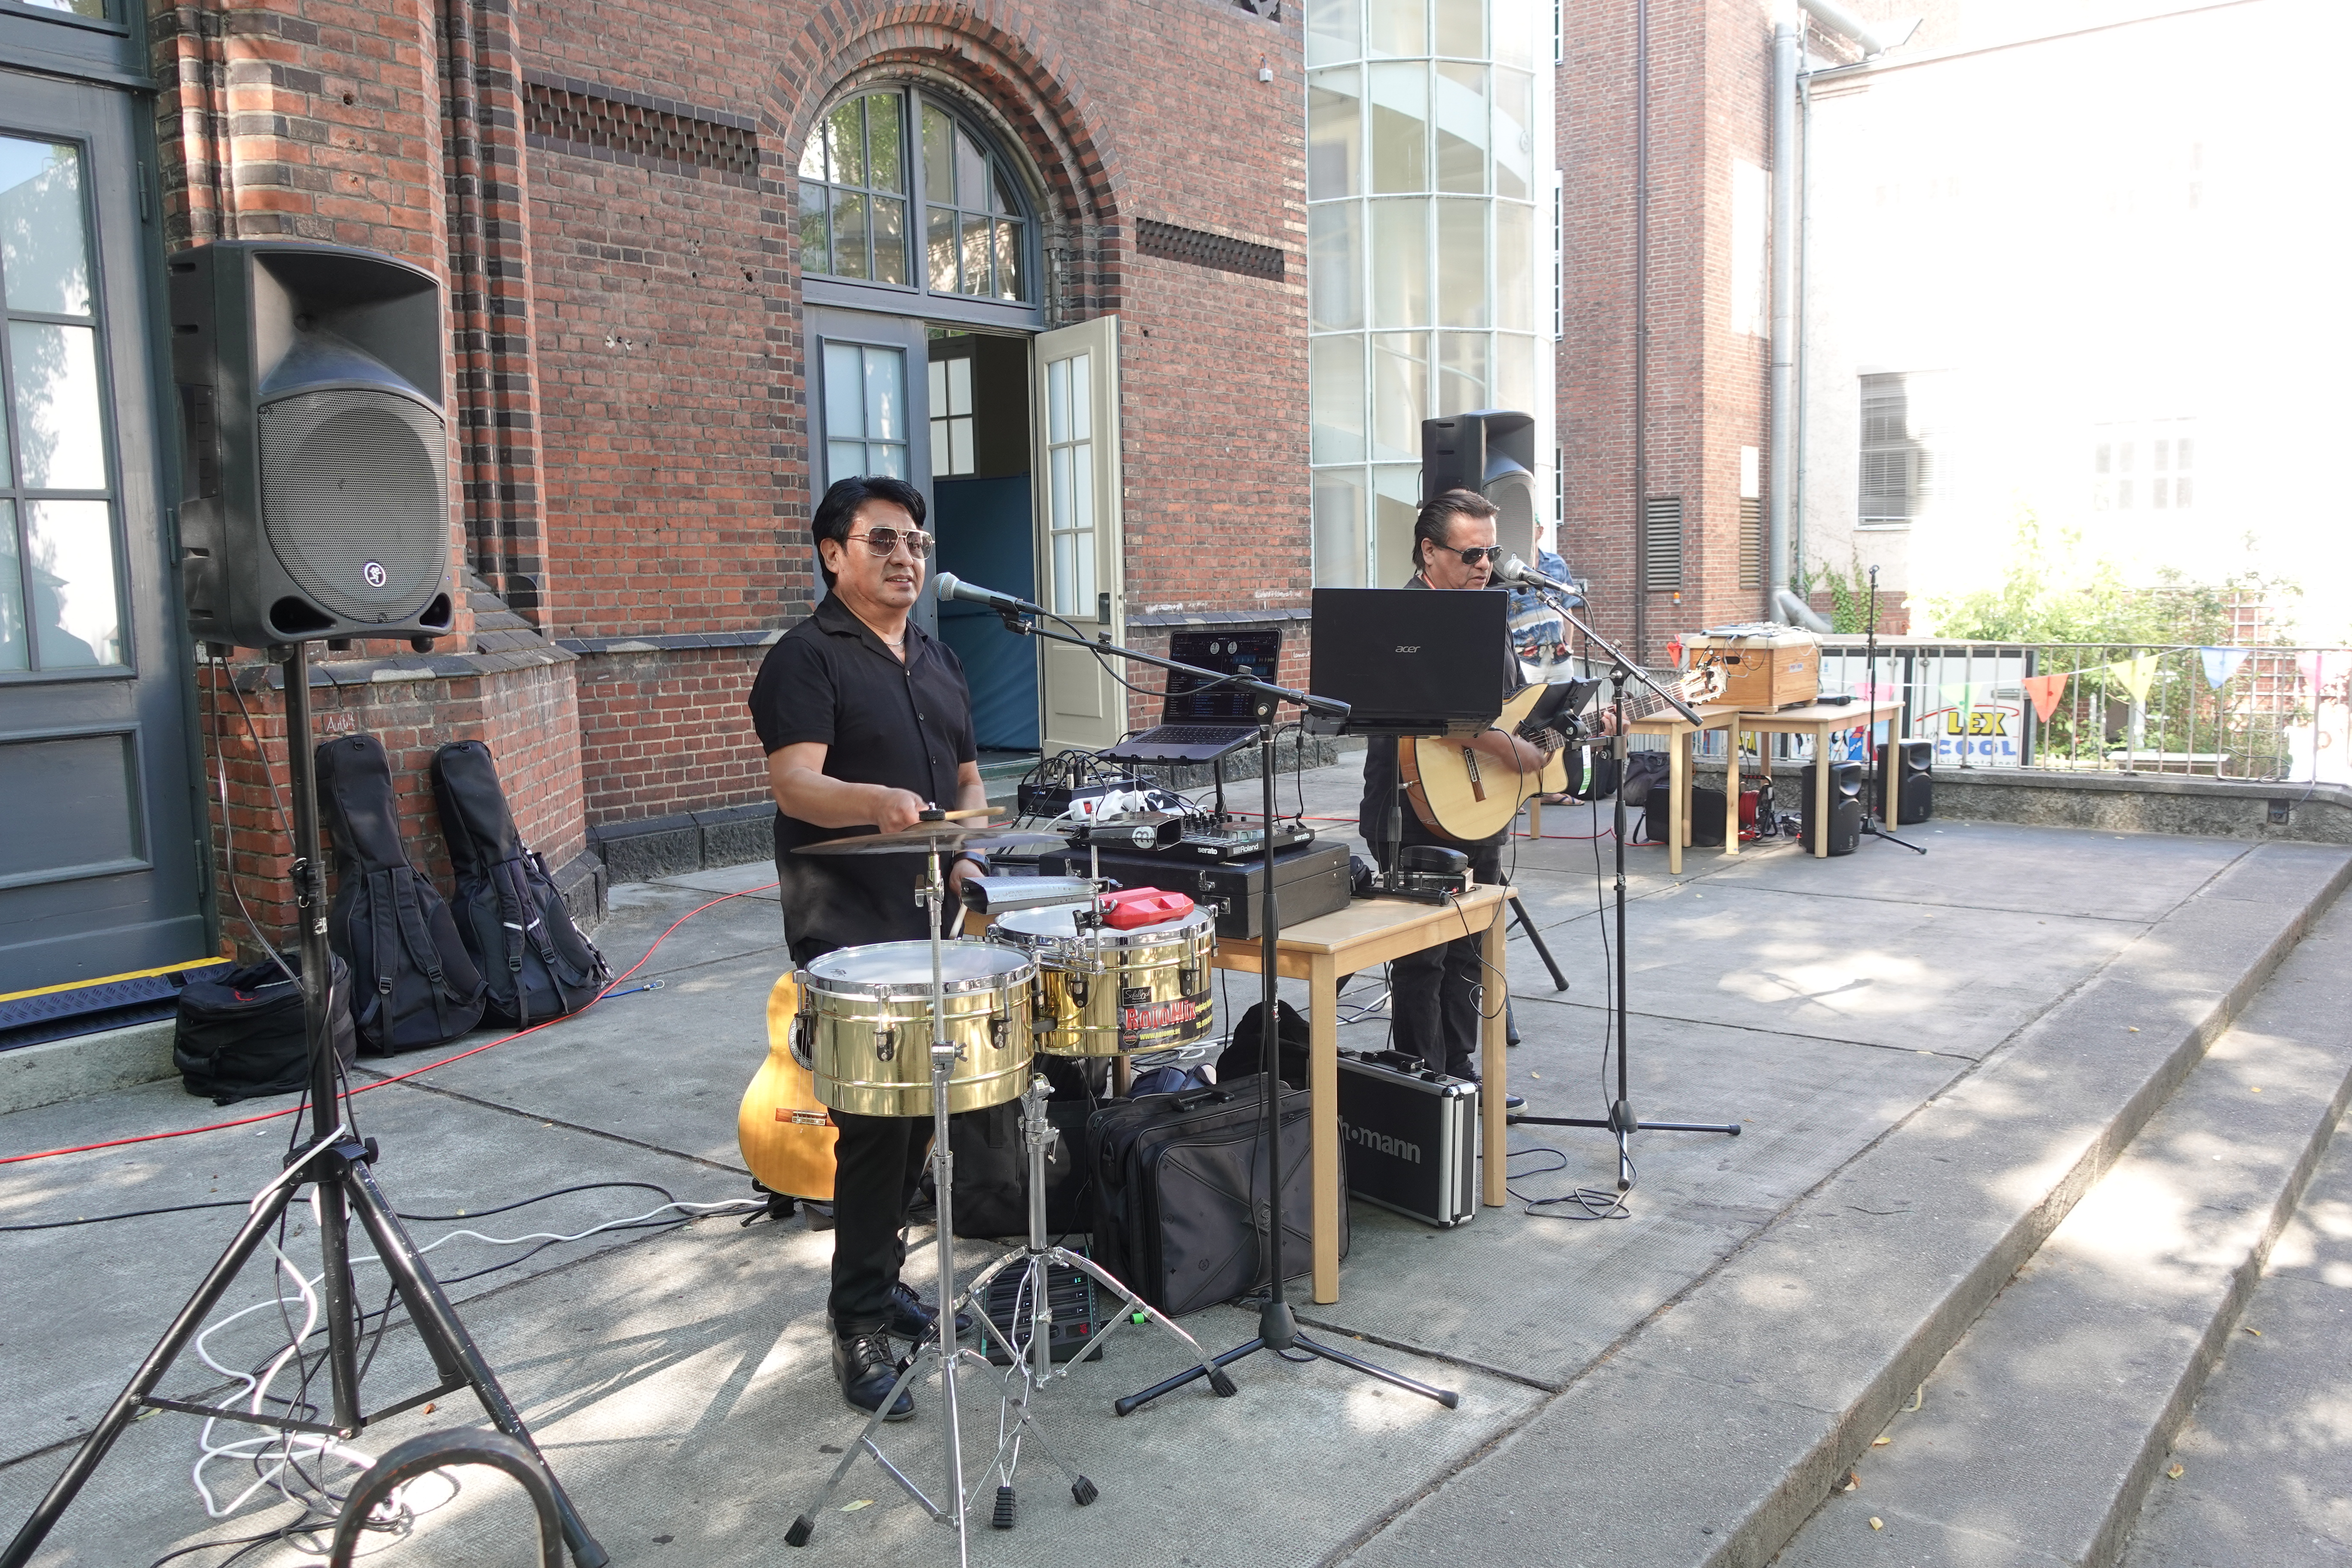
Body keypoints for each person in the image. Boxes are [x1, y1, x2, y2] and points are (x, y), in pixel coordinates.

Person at [748, 474, 987, 1422]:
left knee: (921, 1119)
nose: (906, 558)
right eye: (883, 540)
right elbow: (797, 785)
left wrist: (963, 857)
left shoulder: (936, 657)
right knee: (871, 1132)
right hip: (847, 932)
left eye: (917, 543)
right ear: (833, 553)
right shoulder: (804, 659)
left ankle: (883, 1282)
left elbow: (966, 777)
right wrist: (876, 805)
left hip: (928, 921)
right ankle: (856, 1324)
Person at [1357, 490, 1614, 1089]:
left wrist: (1565, 730)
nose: (1485, 565)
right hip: (1411, 808)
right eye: (1472, 553)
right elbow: (1428, 711)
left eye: (1493, 553)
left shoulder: (1489, 610)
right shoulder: (1401, 618)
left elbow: (1507, 709)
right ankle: (1423, 1086)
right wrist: (1509, 749)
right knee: (1424, 958)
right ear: (1429, 550)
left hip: (1479, 807)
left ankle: (1464, 1075)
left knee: (1472, 948)